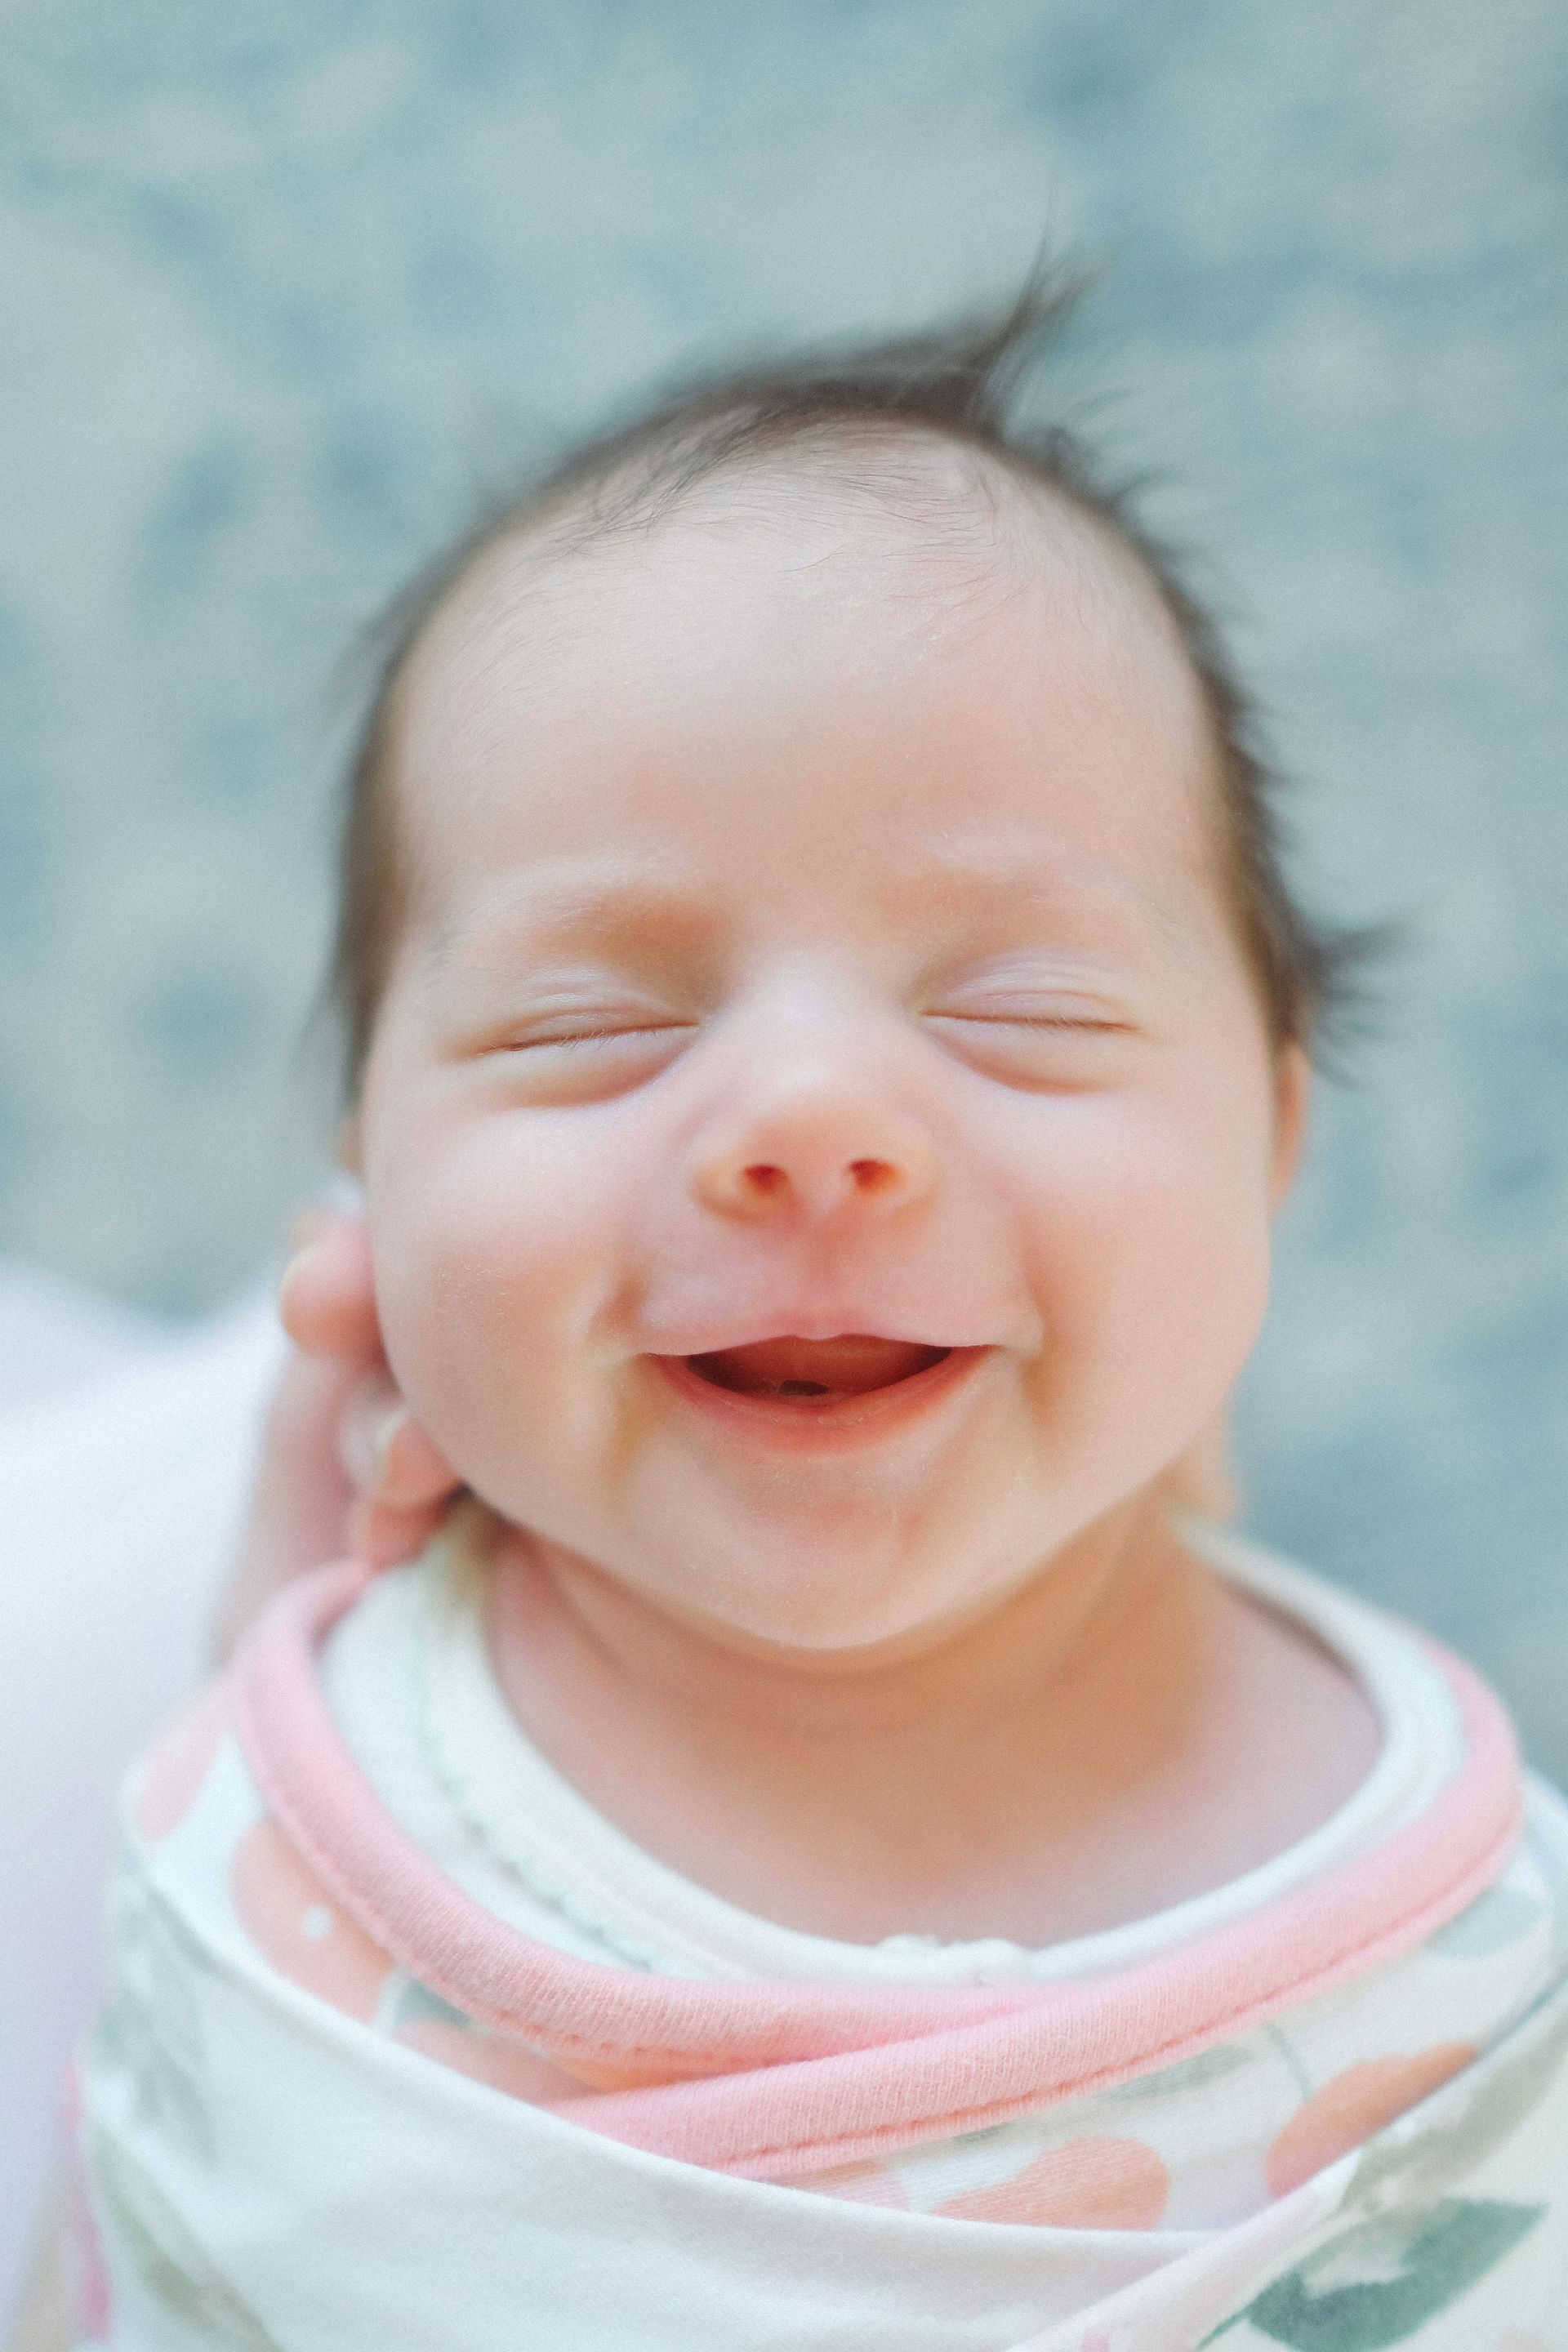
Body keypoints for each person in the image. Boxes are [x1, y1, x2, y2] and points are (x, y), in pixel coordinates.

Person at [29, 291, 1568, 2348]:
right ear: (369, 1197)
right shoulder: (287, 1788)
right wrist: (260, 1668)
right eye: (594, 1024)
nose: (810, 1123)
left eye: (1016, 1009)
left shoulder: (1481, 1966)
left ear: (1270, 1141)